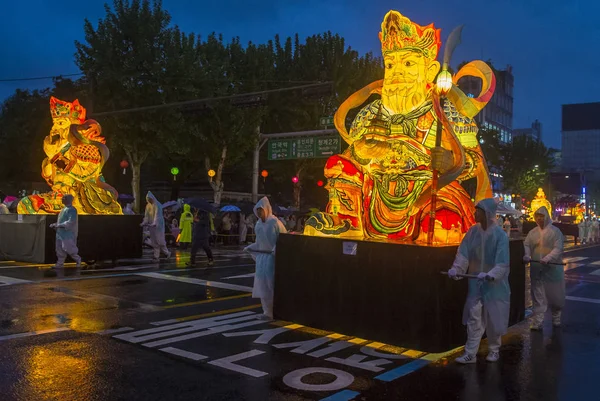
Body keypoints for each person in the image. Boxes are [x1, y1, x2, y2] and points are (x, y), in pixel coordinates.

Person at [447, 198, 510, 364]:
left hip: (495, 286)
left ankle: (494, 349)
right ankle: (470, 353)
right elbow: (463, 253)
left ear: (487, 213)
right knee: (474, 318)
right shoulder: (472, 232)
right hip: (476, 284)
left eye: (478, 211)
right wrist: (457, 269)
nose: (475, 214)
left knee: (493, 317)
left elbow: (502, 262)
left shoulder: (500, 235)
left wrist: (491, 274)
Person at [244, 197, 287, 319]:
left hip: (272, 258)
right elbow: (259, 242)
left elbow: (283, 239)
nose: (259, 213)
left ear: (266, 210)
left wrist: (276, 250)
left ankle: (277, 310)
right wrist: (250, 247)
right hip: (262, 258)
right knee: (262, 285)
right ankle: (267, 311)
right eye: (257, 211)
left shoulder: (275, 223)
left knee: (272, 284)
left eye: (261, 210)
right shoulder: (258, 224)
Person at [523, 206, 565, 330]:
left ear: (546, 217)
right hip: (537, 269)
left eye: (542, 217)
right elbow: (527, 244)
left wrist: (548, 258)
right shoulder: (533, 232)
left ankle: (556, 316)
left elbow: (558, 248)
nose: (540, 220)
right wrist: (526, 254)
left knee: (555, 295)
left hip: (552, 269)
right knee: (537, 295)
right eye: (538, 217)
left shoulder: (555, 232)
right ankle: (538, 320)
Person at [49, 194, 82, 269]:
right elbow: (62, 221)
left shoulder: (72, 210)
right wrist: (56, 225)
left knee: (69, 248)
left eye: (64, 198)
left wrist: (59, 225)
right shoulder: (63, 209)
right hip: (60, 233)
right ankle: (60, 263)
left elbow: (71, 222)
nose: (62, 199)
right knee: (59, 248)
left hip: (68, 233)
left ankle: (78, 260)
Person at [141, 191, 170, 262]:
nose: (149, 200)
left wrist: (155, 223)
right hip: (152, 225)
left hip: (158, 226)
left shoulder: (157, 205)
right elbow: (146, 216)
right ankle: (156, 256)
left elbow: (158, 215)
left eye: (149, 199)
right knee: (154, 241)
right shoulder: (148, 206)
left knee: (160, 240)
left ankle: (167, 253)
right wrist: (144, 222)